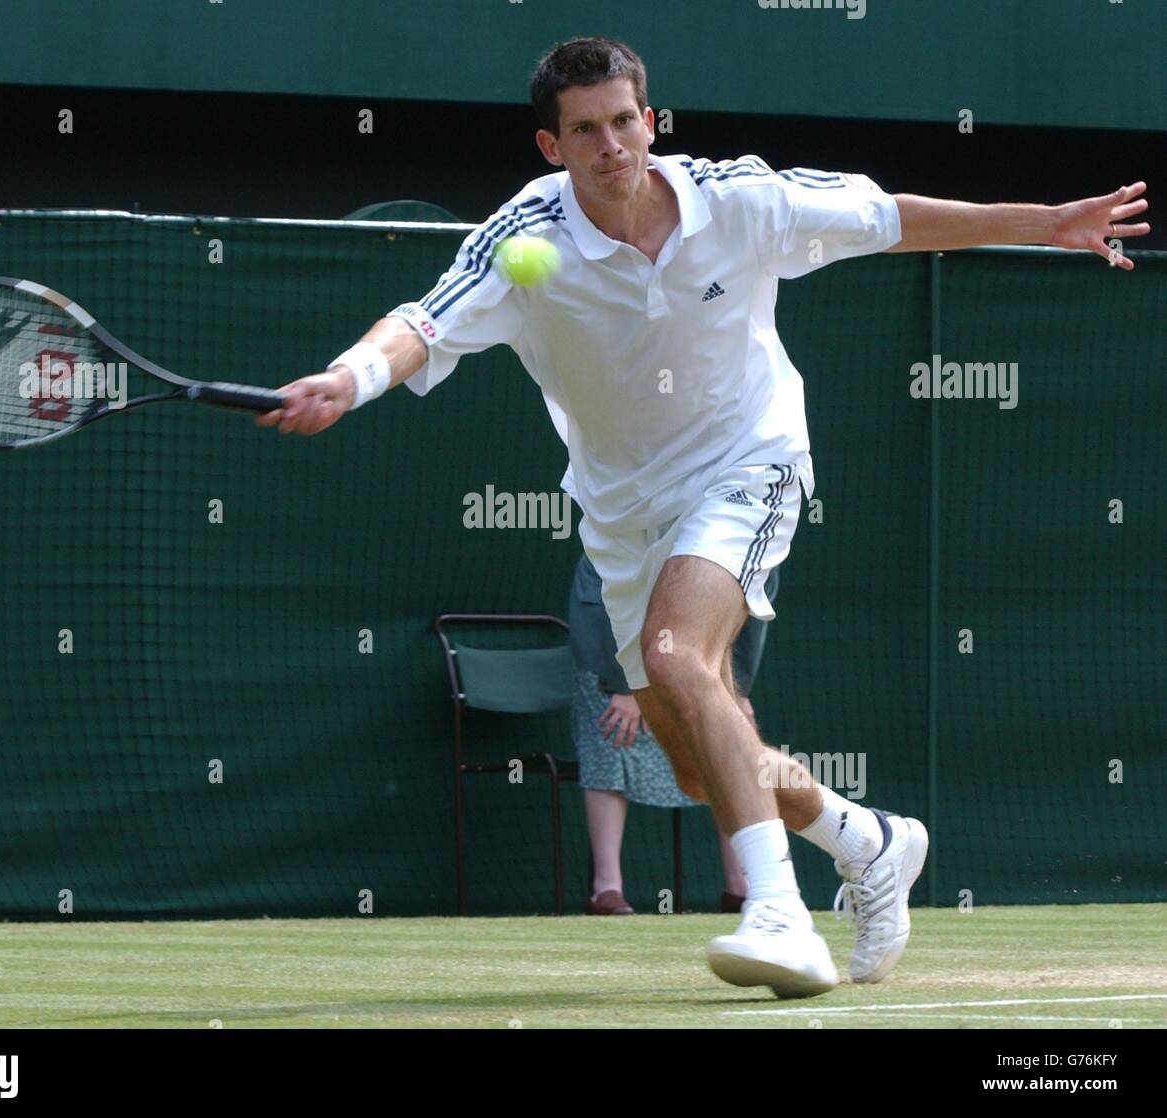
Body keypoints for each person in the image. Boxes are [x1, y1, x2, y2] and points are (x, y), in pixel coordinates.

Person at [257, 38, 1149, 996]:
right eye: (585, 130)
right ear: (552, 147)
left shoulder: (740, 199)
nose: (611, 145)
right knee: (693, 769)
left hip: (748, 461)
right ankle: (868, 838)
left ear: (650, 121)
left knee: (678, 653)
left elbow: (890, 217)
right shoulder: (525, 238)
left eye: (624, 121)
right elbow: (421, 323)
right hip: (623, 515)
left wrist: (1047, 221)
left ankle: (780, 914)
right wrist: (349, 378)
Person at [569, 551, 778, 916]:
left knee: (727, 749)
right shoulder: (619, 540)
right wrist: (626, 686)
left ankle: (741, 886)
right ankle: (606, 889)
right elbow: (605, 609)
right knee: (613, 732)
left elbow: (751, 612)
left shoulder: (746, 545)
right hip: (612, 665)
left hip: (692, 665)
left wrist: (737, 693)